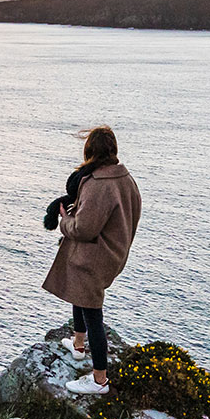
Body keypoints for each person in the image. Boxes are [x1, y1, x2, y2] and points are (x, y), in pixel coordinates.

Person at [41, 126, 142, 394]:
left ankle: (99, 380)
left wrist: (65, 220)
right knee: (80, 293)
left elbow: (84, 229)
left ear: (90, 151)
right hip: (113, 252)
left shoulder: (99, 184)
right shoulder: (125, 178)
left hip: (95, 255)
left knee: (93, 313)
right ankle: (78, 345)